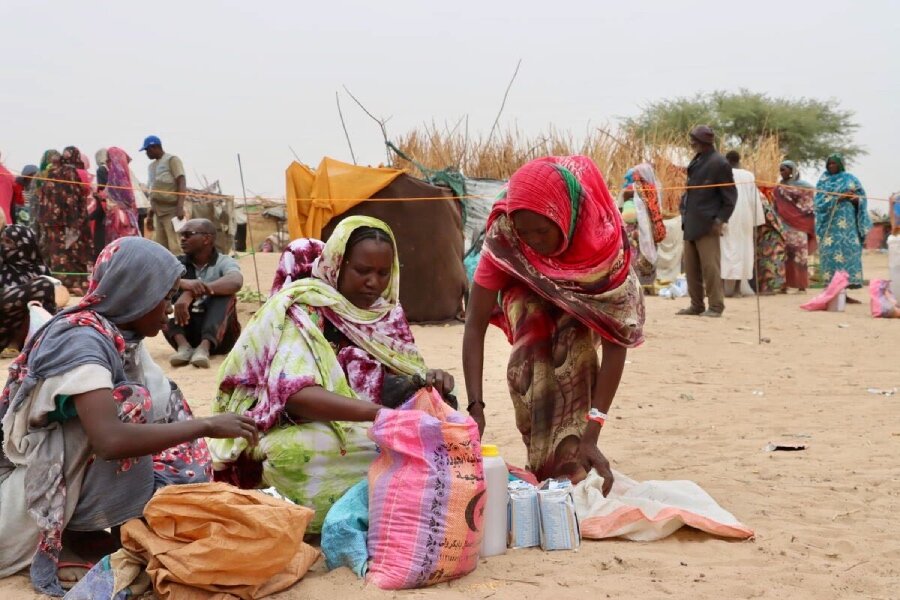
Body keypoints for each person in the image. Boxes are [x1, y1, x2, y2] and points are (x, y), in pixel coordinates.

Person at [0, 237, 258, 596]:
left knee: (155, 404)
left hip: (54, 484)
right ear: (135, 292)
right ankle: (74, 539)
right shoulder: (82, 341)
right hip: (22, 508)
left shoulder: (119, 336)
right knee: (130, 409)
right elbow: (109, 441)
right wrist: (208, 425)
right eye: (164, 297)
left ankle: (109, 532)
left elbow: (163, 404)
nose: (168, 310)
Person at [209, 216, 455, 532]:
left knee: (443, 418)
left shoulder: (386, 315)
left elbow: (400, 373)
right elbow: (297, 396)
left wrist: (429, 380)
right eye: (362, 271)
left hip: (362, 423)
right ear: (338, 264)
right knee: (296, 452)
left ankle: (390, 506)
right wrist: (380, 416)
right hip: (295, 425)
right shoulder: (305, 309)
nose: (373, 282)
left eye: (383, 273)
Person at [463, 156, 645, 494]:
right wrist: (476, 408)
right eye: (525, 232)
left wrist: (593, 433)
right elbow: (474, 323)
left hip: (585, 293)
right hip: (525, 287)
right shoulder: (506, 236)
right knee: (532, 350)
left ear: (565, 218)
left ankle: (575, 454)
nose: (533, 241)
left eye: (543, 231)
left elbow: (616, 345)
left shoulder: (602, 245)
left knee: (573, 349)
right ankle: (545, 458)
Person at [164, 218, 243, 368]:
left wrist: (192, 293)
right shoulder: (177, 263)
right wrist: (182, 284)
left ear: (207, 238)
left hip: (220, 339)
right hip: (185, 333)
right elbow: (157, 279)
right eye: (181, 234)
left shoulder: (223, 261)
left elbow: (236, 281)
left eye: (188, 234)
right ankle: (183, 347)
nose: (182, 239)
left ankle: (204, 347)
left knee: (225, 294)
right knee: (164, 292)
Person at [678, 126, 737, 317]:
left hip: (708, 223)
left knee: (710, 267)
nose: (691, 143)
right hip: (691, 221)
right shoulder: (698, 160)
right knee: (691, 268)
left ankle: (716, 306)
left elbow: (730, 197)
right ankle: (696, 305)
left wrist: (720, 220)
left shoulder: (719, 163)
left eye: (693, 140)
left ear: (703, 141)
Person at [37, 146, 93, 295]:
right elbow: (72, 199)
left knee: (56, 252)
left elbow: (42, 199)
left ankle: (61, 285)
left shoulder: (49, 174)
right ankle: (74, 284)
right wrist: (75, 223)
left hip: (50, 222)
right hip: (68, 221)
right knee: (70, 252)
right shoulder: (70, 172)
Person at [0, 225, 57, 352]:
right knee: (43, 286)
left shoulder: (40, 269)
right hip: (3, 325)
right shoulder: (2, 266)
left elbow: (55, 298)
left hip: (25, 331)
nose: (4, 246)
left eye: (9, 242)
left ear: (25, 243)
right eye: (2, 241)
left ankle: (41, 343)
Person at [721, 151, 765, 297]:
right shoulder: (749, 175)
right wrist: (756, 220)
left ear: (727, 160)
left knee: (724, 249)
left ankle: (721, 288)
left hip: (728, 215)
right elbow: (754, 199)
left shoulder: (722, 173)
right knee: (743, 251)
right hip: (745, 216)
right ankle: (737, 290)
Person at [620, 164, 667, 286]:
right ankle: (644, 283)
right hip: (643, 228)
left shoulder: (646, 189)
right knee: (639, 255)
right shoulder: (647, 189)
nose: (636, 177)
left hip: (644, 228)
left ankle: (642, 283)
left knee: (639, 255)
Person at [772, 161, 816, 292]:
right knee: (783, 255)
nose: (782, 172)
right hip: (783, 225)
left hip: (799, 226)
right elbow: (775, 205)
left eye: (784, 169)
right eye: (780, 170)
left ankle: (801, 285)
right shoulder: (778, 187)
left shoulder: (804, 187)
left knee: (799, 256)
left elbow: (809, 205)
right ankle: (783, 285)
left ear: (792, 170)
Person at [141, 135, 186, 254]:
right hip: (158, 213)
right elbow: (152, 192)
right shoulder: (151, 167)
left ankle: (182, 271)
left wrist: (180, 207)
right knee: (161, 248)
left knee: (176, 246)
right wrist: (150, 215)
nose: (146, 153)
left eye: (147, 150)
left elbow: (181, 181)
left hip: (172, 211)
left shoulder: (172, 160)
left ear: (154, 147)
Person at [100, 147, 141, 243]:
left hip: (121, 221)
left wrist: (104, 197)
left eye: (109, 158)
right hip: (119, 219)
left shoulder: (118, 177)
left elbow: (128, 199)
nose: (106, 161)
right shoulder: (117, 175)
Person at [755, 190, 787, 294]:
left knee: (771, 260)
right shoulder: (758, 194)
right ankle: (767, 287)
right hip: (763, 233)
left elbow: (768, 215)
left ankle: (772, 287)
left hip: (770, 232)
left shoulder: (758, 195)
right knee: (764, 260)